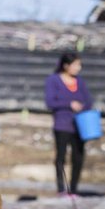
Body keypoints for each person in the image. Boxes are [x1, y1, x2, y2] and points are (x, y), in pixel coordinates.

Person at [44, 52, 93, 196]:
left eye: (80, 65)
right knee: (61, 157)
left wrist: (81, 106)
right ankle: (61, 188)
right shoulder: (53, 80)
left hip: (80, 126)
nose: (78, 68)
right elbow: (50, 102)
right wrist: (69, 104)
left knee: (78, 157)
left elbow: (89, 101)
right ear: (66, 65)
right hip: (62, 124)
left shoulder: (80, 81)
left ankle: (74, 188)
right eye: (76, 65)